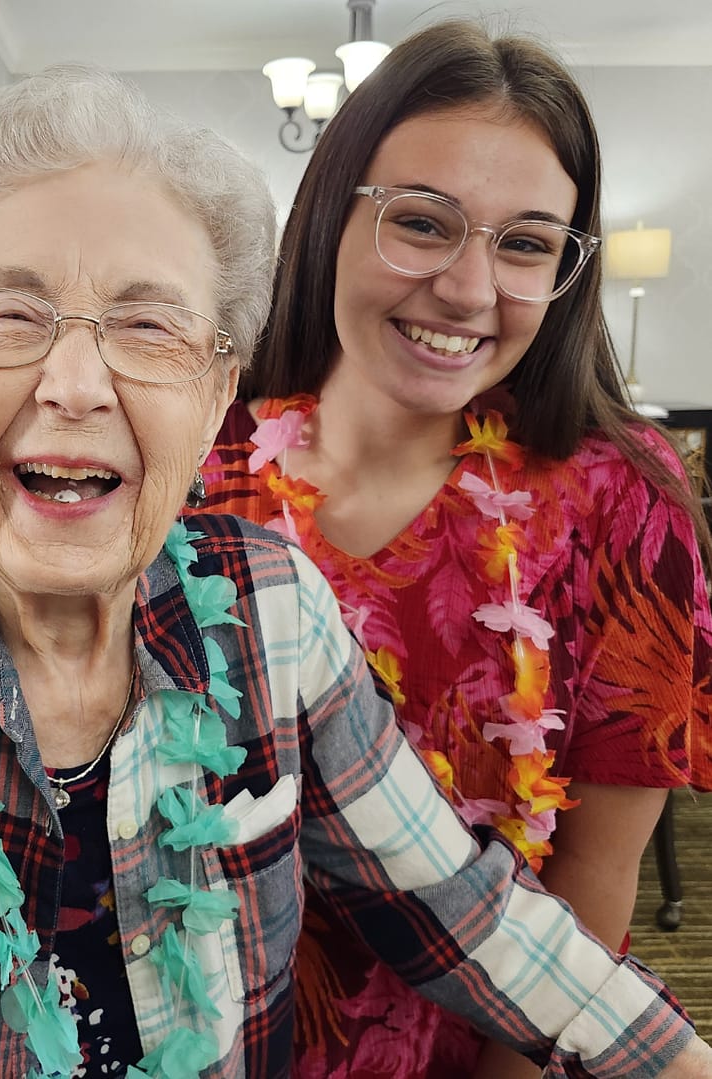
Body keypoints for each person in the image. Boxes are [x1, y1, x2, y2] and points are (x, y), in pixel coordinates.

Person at [0, 65, 710, 1079]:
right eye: (9, 316)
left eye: (149, 327)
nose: (71, 386)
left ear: (215, 385)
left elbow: (470, 910)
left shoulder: (266, 600)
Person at [200, 17, 712, 1079]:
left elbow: (593, 878)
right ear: (327, 216)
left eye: (525, 242)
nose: (470, 289)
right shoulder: (195, 465)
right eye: (422, 223)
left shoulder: (622, 497)